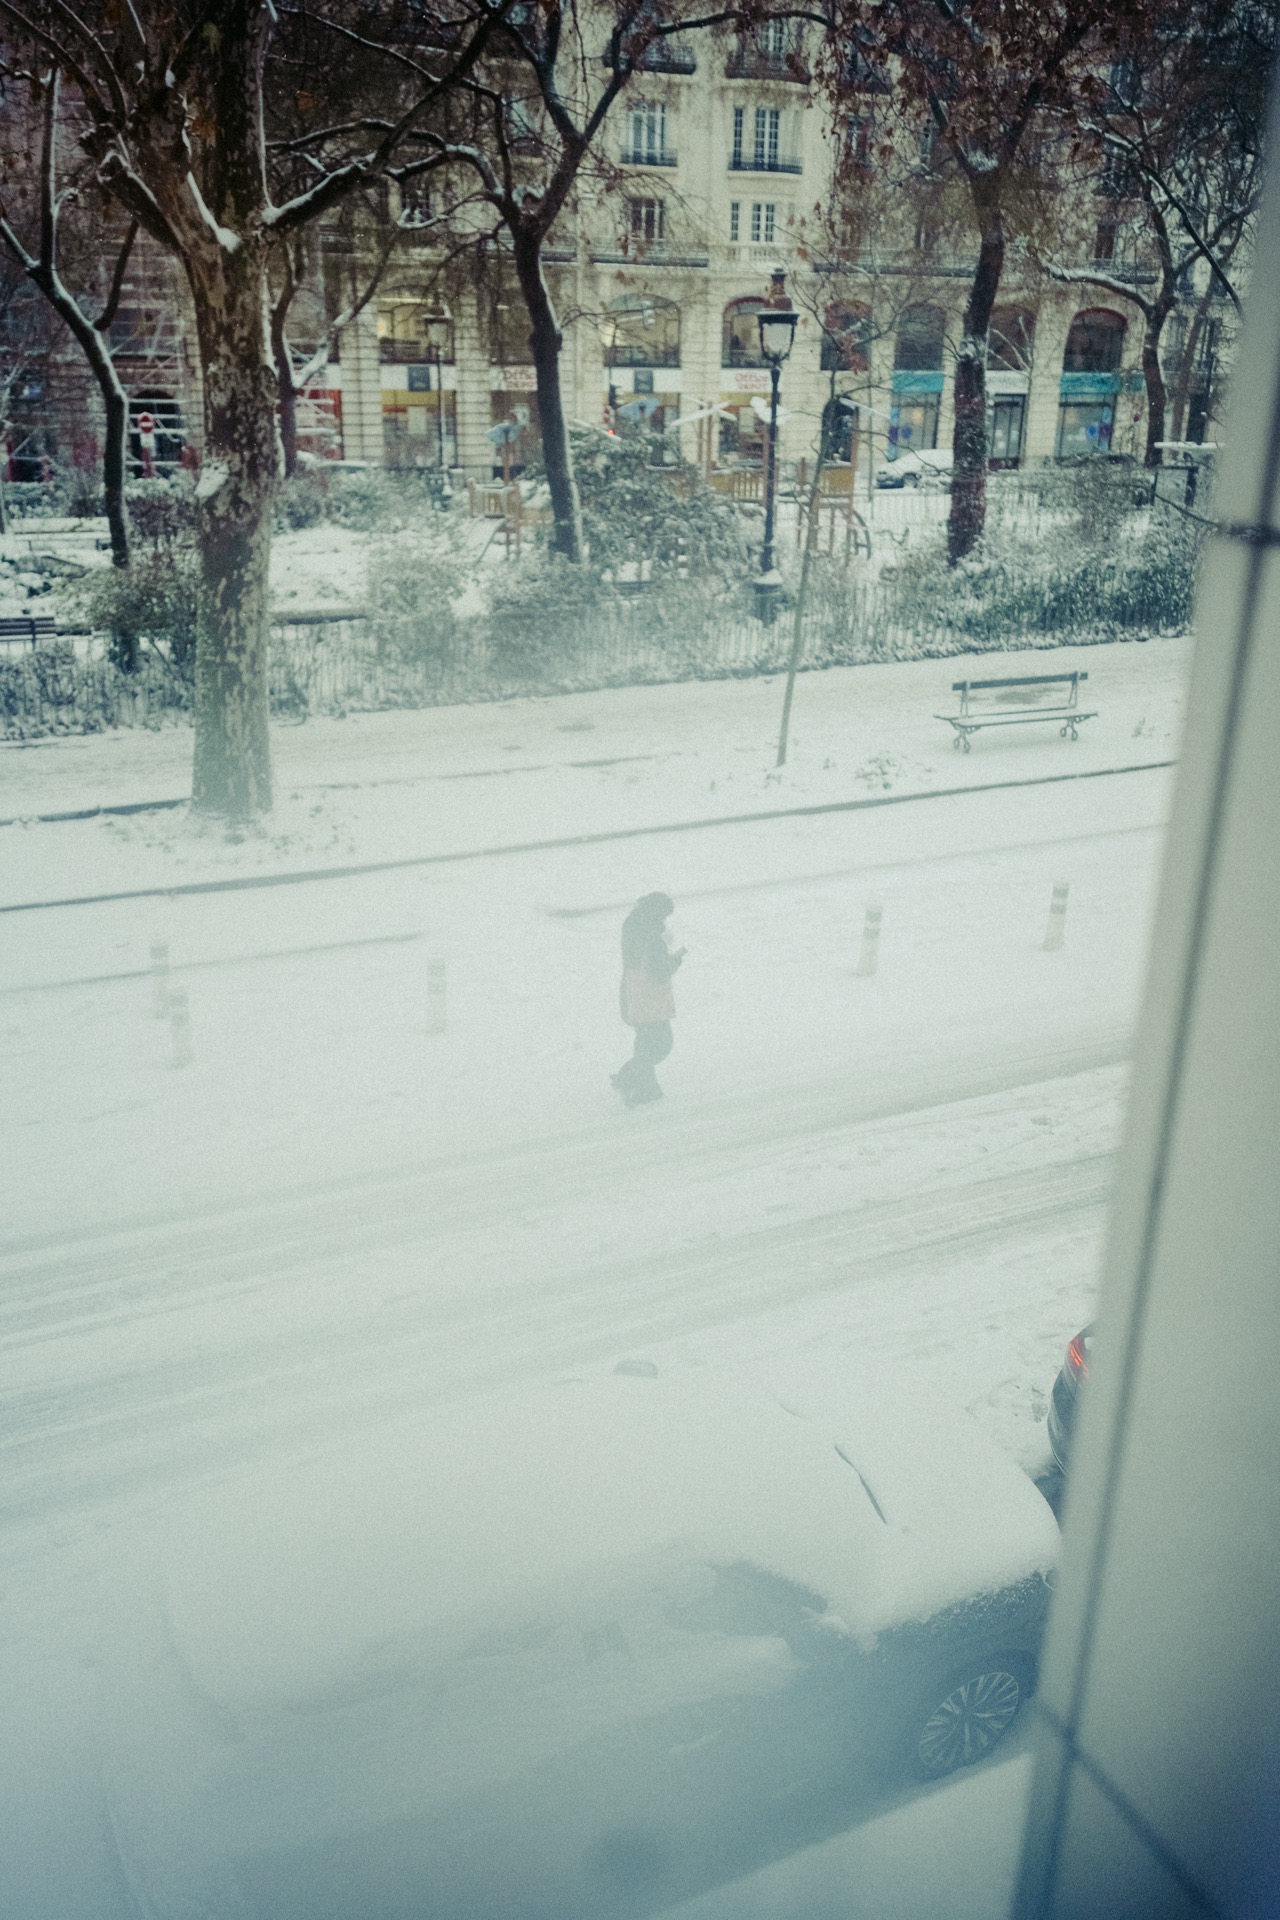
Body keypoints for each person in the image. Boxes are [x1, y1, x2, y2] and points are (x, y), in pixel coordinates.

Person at [612, 892, 686, 1107]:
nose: (665, 920)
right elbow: (660, 970)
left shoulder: (633, 926)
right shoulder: (652, 936)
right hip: (650, 997)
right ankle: (639, 1086)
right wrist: (676, 960)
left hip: (633, 992)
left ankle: (634, 1081)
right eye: (663, 915)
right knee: (661, 1044)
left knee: (645, 1042)